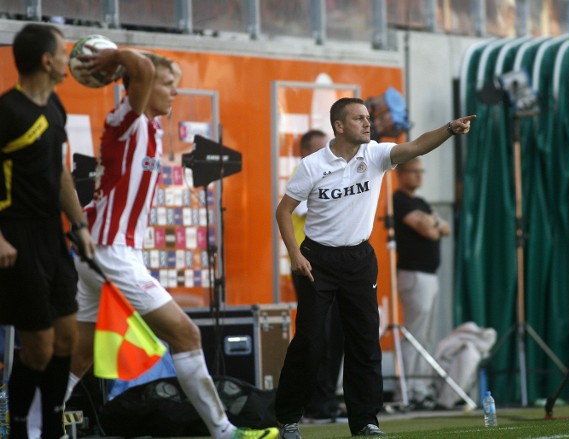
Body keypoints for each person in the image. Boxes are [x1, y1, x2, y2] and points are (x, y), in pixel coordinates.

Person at [59, 46, 277, 439]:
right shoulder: (127, 119)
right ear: (138, 85)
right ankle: (224, 431)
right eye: (167, 83)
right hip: (111, 253)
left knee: (81, 354)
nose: (174, 92)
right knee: (186, 335)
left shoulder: (152, 127)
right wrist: (114, 58)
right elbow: (139, 67)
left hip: (100, 254)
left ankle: (26, 422)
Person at [275, 96, 475, 438]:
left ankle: (365, 421)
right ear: (339, 126)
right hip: (318, 260)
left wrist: (448, 130)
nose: (368, 124)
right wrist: (296, 255)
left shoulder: (375, 154)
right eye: (359, 119)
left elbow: (416, 147)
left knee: (365, 341)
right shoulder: (312, 165)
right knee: (310, 341)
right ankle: (288, 418)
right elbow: (283, 210)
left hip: (359, 261)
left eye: (368, 118)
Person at [0, 23, 95, 439]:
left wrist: (80, 226)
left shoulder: (55, 106)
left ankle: (52, 429)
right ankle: (19, 429)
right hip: (14, 237)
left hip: (52, 237)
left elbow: (60, 174)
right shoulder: (7, 112)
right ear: (46, 60)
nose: (68, 58)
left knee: (66, 339)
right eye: (64, 51)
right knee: (37, 347)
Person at [291, 130, 345, 423]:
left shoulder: (330, 172)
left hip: (336, 266)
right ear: (304, 152)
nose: (328, 151)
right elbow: (310, 208)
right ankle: (312, 403)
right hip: (309, 267)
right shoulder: (304, 173)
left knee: (336, 336)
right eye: (319, 148)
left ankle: (326, 402)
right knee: (317, 336)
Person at [393, 158, 450, 409]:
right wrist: (434, 223)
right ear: (402, 174)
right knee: (415, 335)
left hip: (429, 275)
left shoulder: (422, 203)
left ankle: (421, 388)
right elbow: (428, 230)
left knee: (425, 336)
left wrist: (434, 222)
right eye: (413, 172)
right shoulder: (400, 200)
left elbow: (444, 228)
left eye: (421, 172)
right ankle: (406, 390)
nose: (418, 176)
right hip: (414, 274)